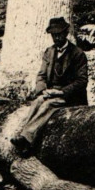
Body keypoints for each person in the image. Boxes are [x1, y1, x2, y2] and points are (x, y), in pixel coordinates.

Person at [10, 17, 88, 156]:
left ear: (66, 33)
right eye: (54, 35)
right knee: (37, 102)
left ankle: (27, 140)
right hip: (50, 92)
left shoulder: (78, 54)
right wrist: (43, 90)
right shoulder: (49, 52)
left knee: (48, 105)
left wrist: (61, 92)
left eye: (59, 34)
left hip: (69, 96)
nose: (56, 38)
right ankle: (23, 134)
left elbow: (81, 81)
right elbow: (41, 75)